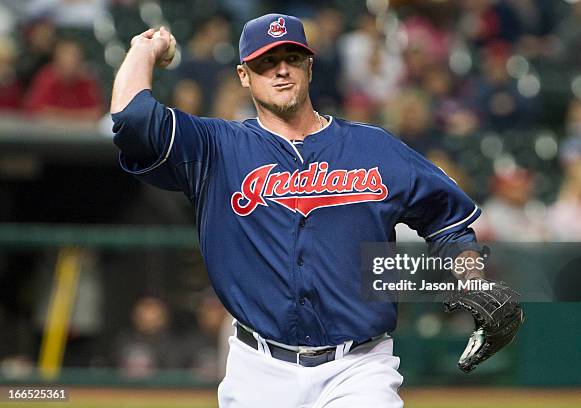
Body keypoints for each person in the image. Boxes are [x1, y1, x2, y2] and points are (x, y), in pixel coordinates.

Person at [110, 13, 523, 407]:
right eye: (265, 62)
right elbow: (131, 119)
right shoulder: (215, 147)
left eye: (292, 58)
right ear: (243, 76)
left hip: (358, 367)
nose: (281, 70)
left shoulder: (373, 148)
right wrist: (144, 50)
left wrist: (475, 282)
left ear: (310, 67)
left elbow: (449, 223)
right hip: (257, 369)